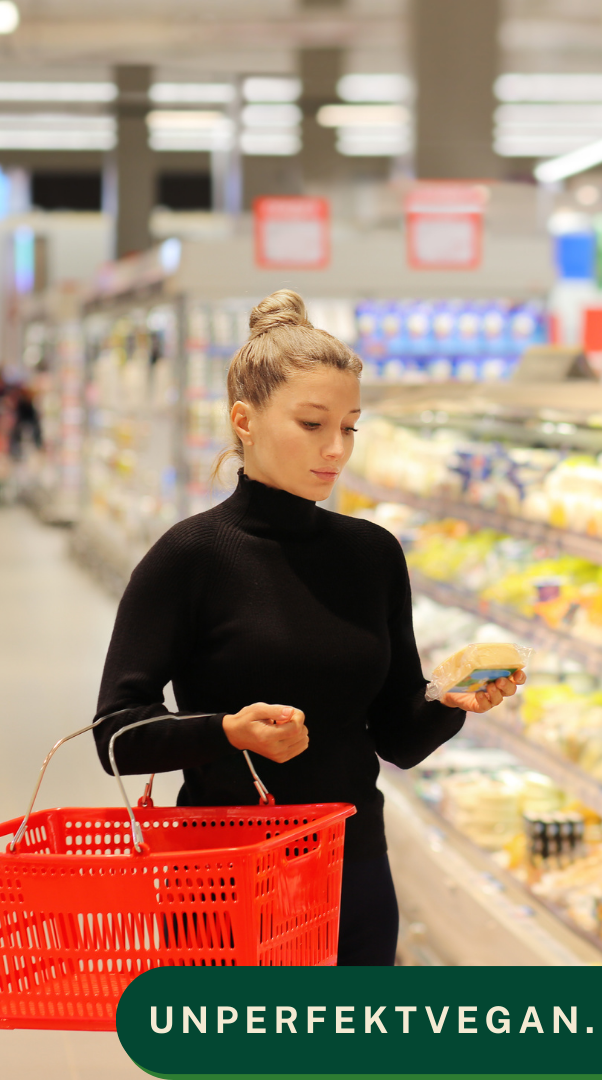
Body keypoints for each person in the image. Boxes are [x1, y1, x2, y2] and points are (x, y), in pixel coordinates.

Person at [92, 289, 524, 966]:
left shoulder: (372, 553)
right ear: (245, 420)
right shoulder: (189, 556)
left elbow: (397, 738)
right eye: (313, 424)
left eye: (350, 427)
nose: (336, 449)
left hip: (351, 866)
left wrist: (447, 700)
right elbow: (115, 738)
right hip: (225, 871)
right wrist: (225, 731)